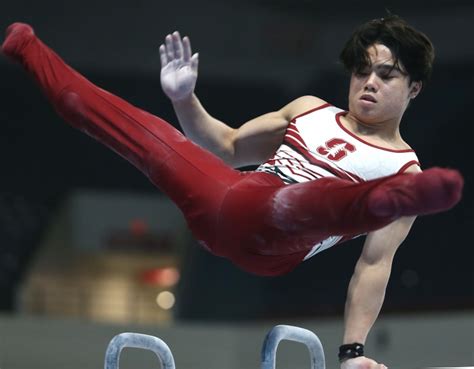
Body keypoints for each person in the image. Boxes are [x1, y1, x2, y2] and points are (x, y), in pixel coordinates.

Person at [1, 15, 463, 369]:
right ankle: (27, 47)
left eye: (386, 75)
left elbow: (373, 266)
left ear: (414, 88)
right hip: (228, 201)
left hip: (277, 238)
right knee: (139, 131)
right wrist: (184, 99)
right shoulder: (310, 110)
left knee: (302, 205)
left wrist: (351, 351)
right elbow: (224, 146)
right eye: (362, 71)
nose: (369, 83)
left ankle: (384, 200)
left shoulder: (403, 166)